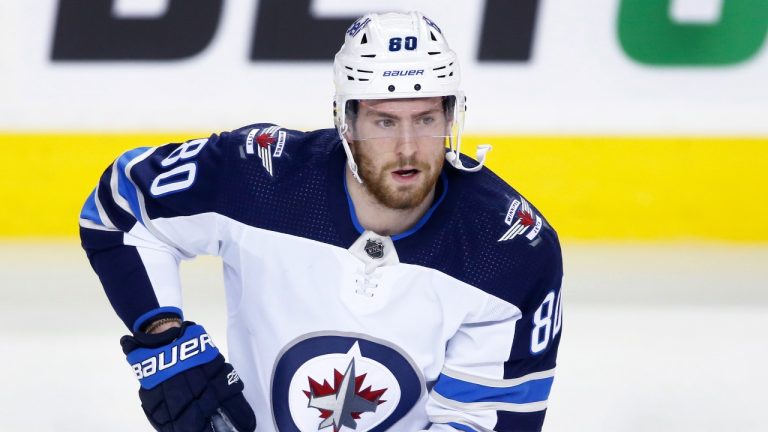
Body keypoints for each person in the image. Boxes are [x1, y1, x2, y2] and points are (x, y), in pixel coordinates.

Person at [80, 11, 563, 432]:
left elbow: (487, 418)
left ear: (452, 117)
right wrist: (165, 339)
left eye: (426, 118)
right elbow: (122, 208)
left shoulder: (510, 246)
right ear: (346, 121)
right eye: (384, 121)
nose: (410, 149)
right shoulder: (259, 176)